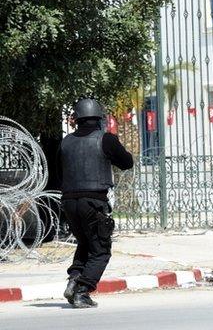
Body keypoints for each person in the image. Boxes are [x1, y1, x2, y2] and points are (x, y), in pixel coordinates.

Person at [59, 98, 133, 307]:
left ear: (77, 119)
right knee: (100, 250)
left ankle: (74, 279)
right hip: (94, 202)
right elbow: (127, 162)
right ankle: (83, 290)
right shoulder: (106, 139)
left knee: (85, 242)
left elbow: (59, 171)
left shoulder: (66, 141)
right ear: (99, 118)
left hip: (69, 202)